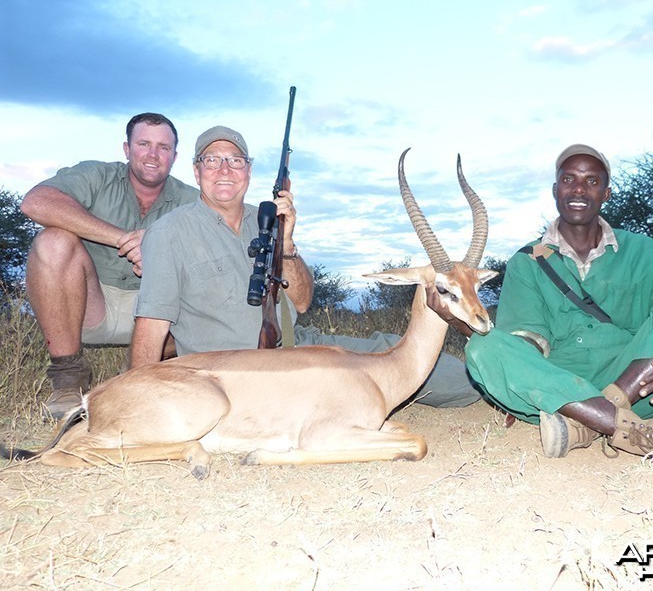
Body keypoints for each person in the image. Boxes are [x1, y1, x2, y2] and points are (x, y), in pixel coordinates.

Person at [431, 143, 653, 463]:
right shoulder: (527, 261)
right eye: (569, 179)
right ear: (555, 190)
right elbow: (525, 342)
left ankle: (591, 422)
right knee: (483, 348)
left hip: (638, 383)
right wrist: (464, 324)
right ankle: (645, 435)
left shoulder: (645, 251)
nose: (579, 188)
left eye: (592, 181)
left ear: (607, 193)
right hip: (559, 391)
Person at [130, 125, 481, 408]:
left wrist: (288, 243)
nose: (224, 170)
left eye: (235, 161)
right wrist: (139, 396)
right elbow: (151, 326)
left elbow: (300, 303)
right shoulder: (169, 232)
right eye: (212, 160)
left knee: (431, 367)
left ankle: (499, 387)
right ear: (195, 170)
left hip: (300, 345)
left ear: (249, 171)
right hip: (236, 370)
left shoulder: (267, 220)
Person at [21, 113, 198, 419]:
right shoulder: (96, 175)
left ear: (175, 156)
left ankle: (137, 370)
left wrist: (159, 252)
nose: (153, 155)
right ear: (127, 149)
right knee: (52, 241)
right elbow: (35, 202)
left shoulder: (192, 201)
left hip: (153, 314)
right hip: (89, 305)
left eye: (163, 147)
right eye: (144, 144)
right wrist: (125, 239)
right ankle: (67, 378)